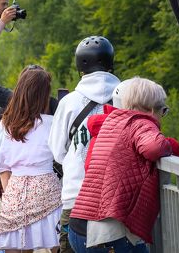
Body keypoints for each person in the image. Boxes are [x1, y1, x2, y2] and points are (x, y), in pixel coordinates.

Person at [68, 77, 179, 253]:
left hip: (79, 227)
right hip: (106, 236)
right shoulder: (141, 123)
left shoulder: (112, 123)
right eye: (163, 111)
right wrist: (172, 145)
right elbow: (154, 147)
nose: (161, 117)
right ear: (152, 110)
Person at [49, 36, 120, 253]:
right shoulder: (126, 98)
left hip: (76, 197)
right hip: (117, 200)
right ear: (110, 62)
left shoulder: (69, 102)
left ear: (80, 66)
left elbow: (57, 150)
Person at [0, 65, 62, 253]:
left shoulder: (6, 123)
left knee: (16, 246)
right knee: (56, 244)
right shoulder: (52, 123)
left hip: (15, 189)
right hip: (48, 190)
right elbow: (62, 156)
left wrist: (9, 193)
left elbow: (1, 165)